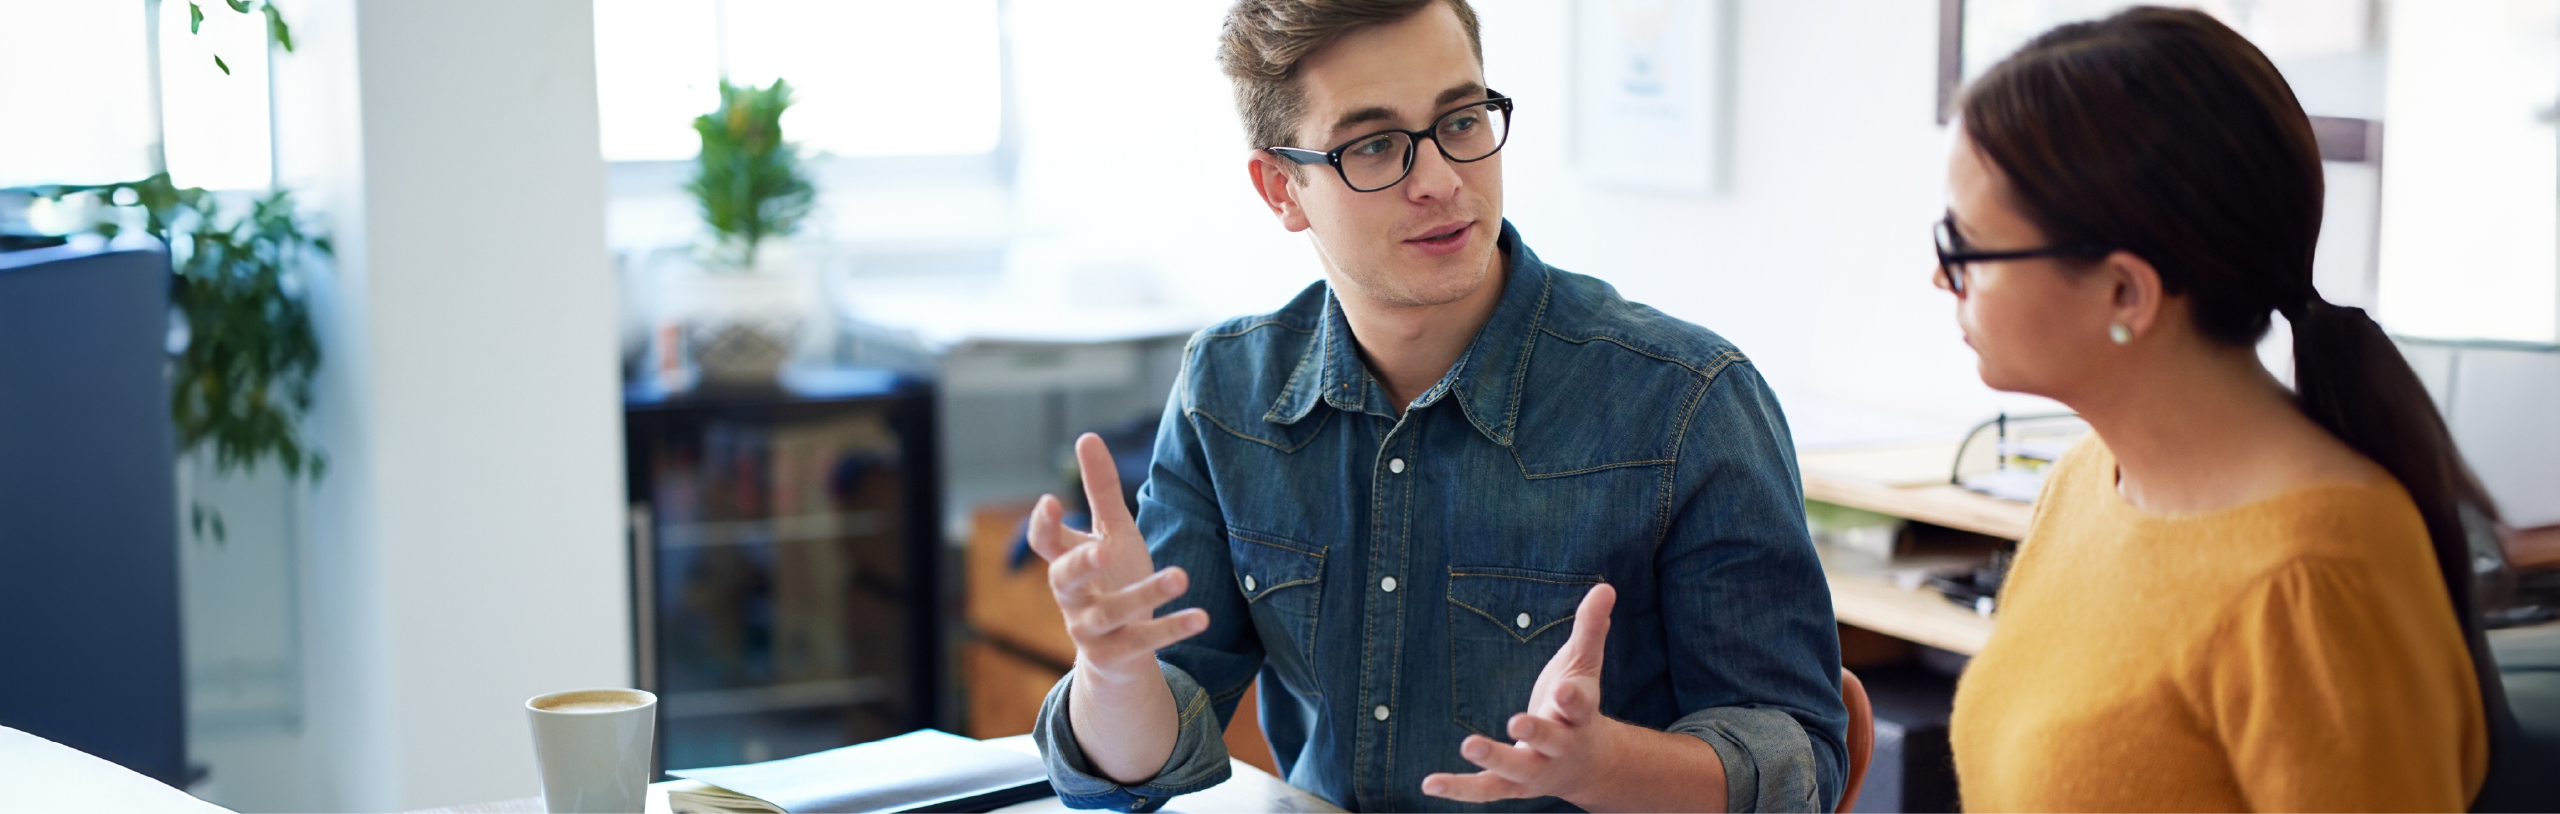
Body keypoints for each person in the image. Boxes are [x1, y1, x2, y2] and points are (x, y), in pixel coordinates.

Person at [1019, 1, 1847, 812]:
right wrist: (1116, 673)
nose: (1443, 182)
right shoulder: (1228, 392)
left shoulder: (1687, 400)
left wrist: (1602, 767)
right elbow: (1134, 776)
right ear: (1282, 190)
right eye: (1375, 146)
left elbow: (1798, 761)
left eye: (1461, 121)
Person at [1934, 8, 2522, 812]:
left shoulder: (2317, 580)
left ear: (2124, 292)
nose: (1942, 279)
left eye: (1963, 249)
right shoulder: (2084, 483)